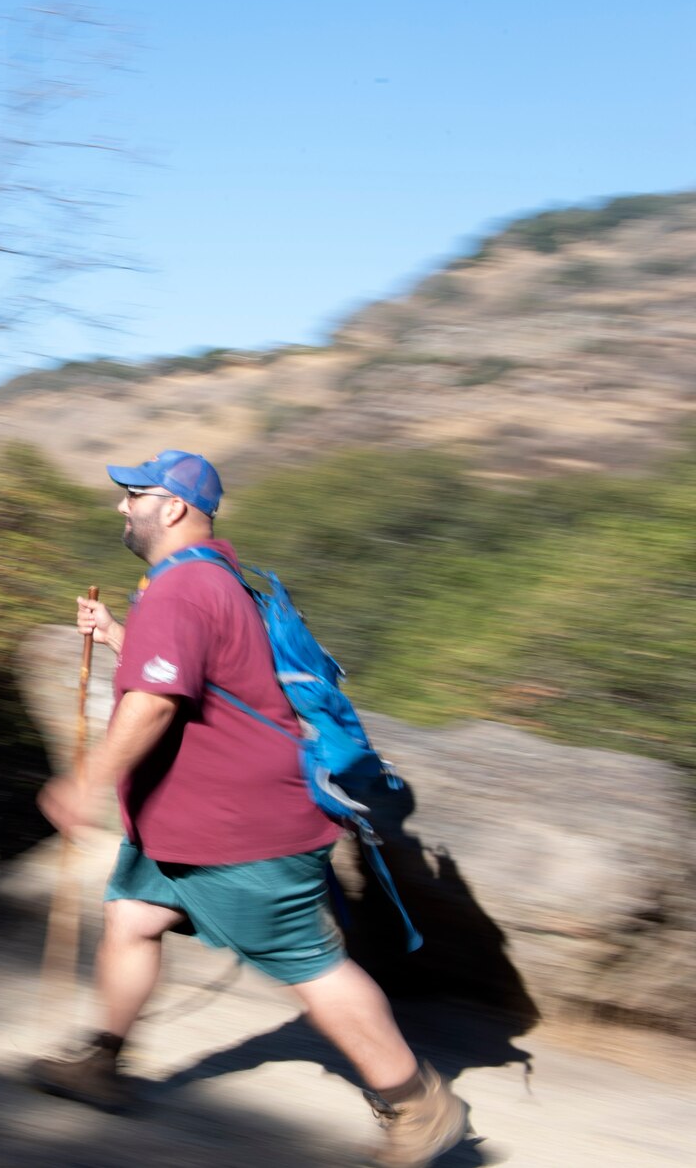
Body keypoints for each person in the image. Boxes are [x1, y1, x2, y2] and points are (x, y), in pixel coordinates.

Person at [29, 449, 469, 1168]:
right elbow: (204, 672)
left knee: (312, 965)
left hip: (238, 829)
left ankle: (420, 1105)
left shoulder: (179, 590)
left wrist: (86, 781)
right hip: (186, 823)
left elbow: (158, 699)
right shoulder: (210, 579)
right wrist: (116, 635)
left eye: (134, 493)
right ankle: (99, 1060)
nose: (122, 506)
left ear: (171, 506)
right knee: (133, 917)